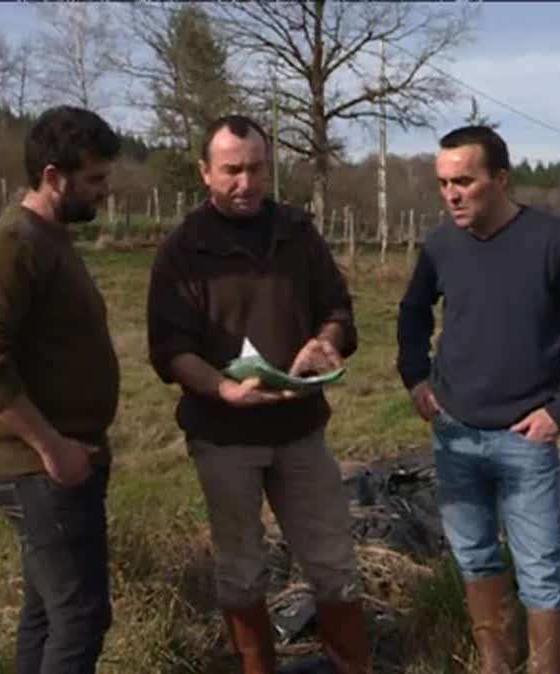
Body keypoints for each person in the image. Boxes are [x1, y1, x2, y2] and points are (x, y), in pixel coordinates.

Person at [146, 114, 371, 674]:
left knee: (334, 562)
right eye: (231, 171)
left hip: (299, 430)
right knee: (242, 567)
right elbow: (170, 350)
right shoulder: (184, 251)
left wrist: (325, 341)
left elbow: (338, 309)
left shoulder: (296, 233)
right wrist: (221, 388)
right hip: (224, 436)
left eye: (256, 169)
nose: (245, 183)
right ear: (205, 172)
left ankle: (352, 665)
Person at [396, 125, 560, 674]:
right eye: (444, 183)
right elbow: (413, 312)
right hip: (456, 432)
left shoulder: (552, 241)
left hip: (525, 438)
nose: (452, 194)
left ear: (501, 179)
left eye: (465, 181)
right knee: (473, 555)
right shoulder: (441, 245)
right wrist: (416, 378)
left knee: (540, 566)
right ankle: (497, 664)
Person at [0, 105, 121, 674]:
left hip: (59, 461)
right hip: (40, 468)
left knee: (47, 613)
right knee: (81, 615)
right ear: (54, 177)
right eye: (94, 179)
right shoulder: (12, 244)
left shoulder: (51, 238)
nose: (105, 190)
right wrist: (51, 446)